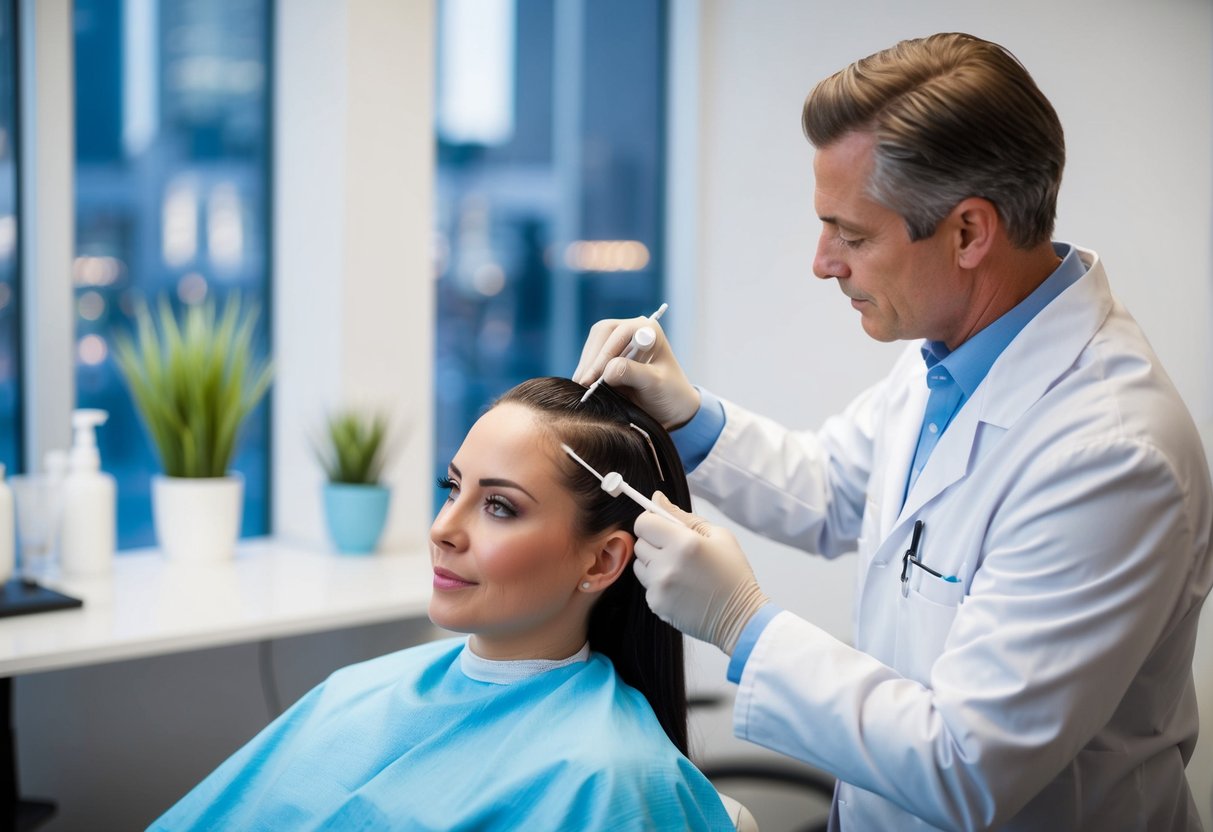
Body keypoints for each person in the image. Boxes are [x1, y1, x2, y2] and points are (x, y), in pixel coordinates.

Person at [574, 32, 1213, 831]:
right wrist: (687, 416)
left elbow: (968, 765)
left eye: (852, 233)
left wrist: (743, 625)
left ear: (968, 233)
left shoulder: (1112, 455)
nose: (821, 262)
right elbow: (838, 491)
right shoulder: (950, 353)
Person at [150, 378, 736, 831]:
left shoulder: (604, 776)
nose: (443, 529)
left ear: (602, 562)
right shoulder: (355, 690)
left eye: (500, 506)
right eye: (452, 488)